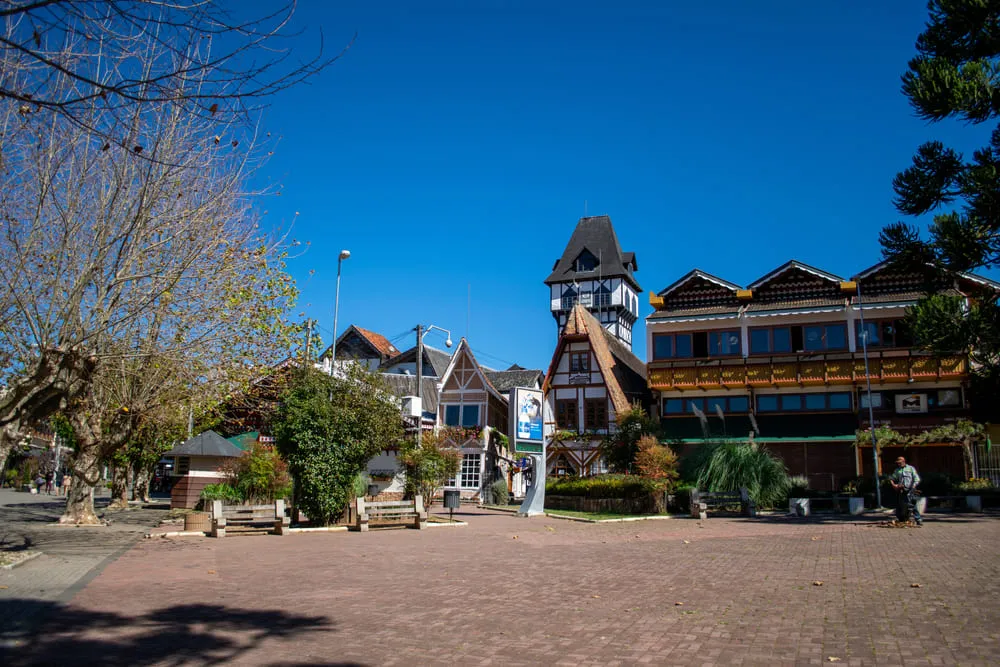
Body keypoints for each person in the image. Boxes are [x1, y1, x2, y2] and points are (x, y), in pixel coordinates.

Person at [890, 456, 922, 526]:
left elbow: (917, 478)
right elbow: (892, 478)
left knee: (911, 505)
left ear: (903, 461)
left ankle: (918, 519)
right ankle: (902, 519)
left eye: (900, 463)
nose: (898, 464)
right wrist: (894, 485)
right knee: (900, 505)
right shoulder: (897, 470)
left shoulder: (911, 468)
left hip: (910, 489)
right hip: (901, 490)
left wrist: (913, 486)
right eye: (898, 463)